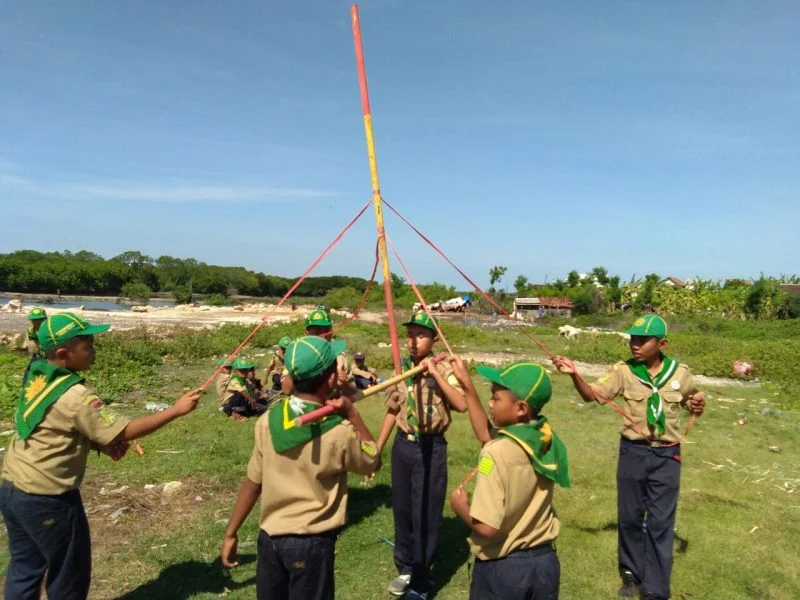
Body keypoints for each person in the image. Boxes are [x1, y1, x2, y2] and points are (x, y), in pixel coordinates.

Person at [0, 312, 201, 600]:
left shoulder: (38, 375)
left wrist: (98, 444)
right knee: (69, 575)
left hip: (13, 489)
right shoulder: (76, 396)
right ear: (63, 353)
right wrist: (176, 410)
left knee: (25, 566)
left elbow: (51, 427)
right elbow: (125, 430)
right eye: (88, 346)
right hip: (49, 499)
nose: (94, 351)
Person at [554, 315, 705, 600]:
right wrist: (574, 373)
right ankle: (631, 576)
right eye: (632, 339)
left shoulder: (680, 373)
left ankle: (656, 589)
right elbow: (593, 396)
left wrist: (697, 404)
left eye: (642, 340)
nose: (634, 345)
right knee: (630, 517)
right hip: (633, 452)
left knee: (661, 523)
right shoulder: (623, 371)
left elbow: (691, 400)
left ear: (662, 344)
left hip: (666, 455)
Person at [220, 336, 381, 600]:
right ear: (331, 380)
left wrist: (231, 532)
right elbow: (371, 460)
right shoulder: (340, 432)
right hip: (311, 545)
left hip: (270, 541)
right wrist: (353, 415)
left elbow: (252, 482)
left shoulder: (268, 420)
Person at [448, 356, 569, 599]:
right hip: (544, 565)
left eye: (495, 397)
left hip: (504, 570)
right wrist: (467, 385)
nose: (490, 404)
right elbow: (486, 433)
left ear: (521, 408)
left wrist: (461, 507)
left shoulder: (495, 453)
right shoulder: (543, 438)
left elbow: (487, 529)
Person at [377, 311, 467, 599]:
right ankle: (405, 565)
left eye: (421, 335)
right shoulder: (400, 370)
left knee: (425, 510)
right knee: (403, 508)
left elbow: (461, 403)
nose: (413, 341)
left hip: (431, 447)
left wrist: (435, 375)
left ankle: (421, 576)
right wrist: (378, 448)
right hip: (404, 445)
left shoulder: (445, 370)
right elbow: (393, 410)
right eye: (410, 335)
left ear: (434, 339)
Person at [281, 309, 355, 396]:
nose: (323, 336)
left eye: (326, 330)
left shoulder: (339, 356)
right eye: (317, 332)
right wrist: (298, 369)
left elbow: (353, 391)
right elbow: (286, 390)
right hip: (308, 407)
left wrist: (343, 383)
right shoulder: (297, 355)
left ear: (331, 332)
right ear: (307, 334)